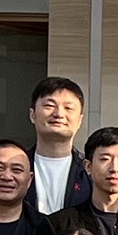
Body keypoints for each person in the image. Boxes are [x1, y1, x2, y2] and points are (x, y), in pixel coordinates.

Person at [23, 75, 90, 216]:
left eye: (68, 108)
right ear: (32, 115)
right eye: (49, 106)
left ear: (80, 121)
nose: (59, 114)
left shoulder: (90, 172)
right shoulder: (15, 169)